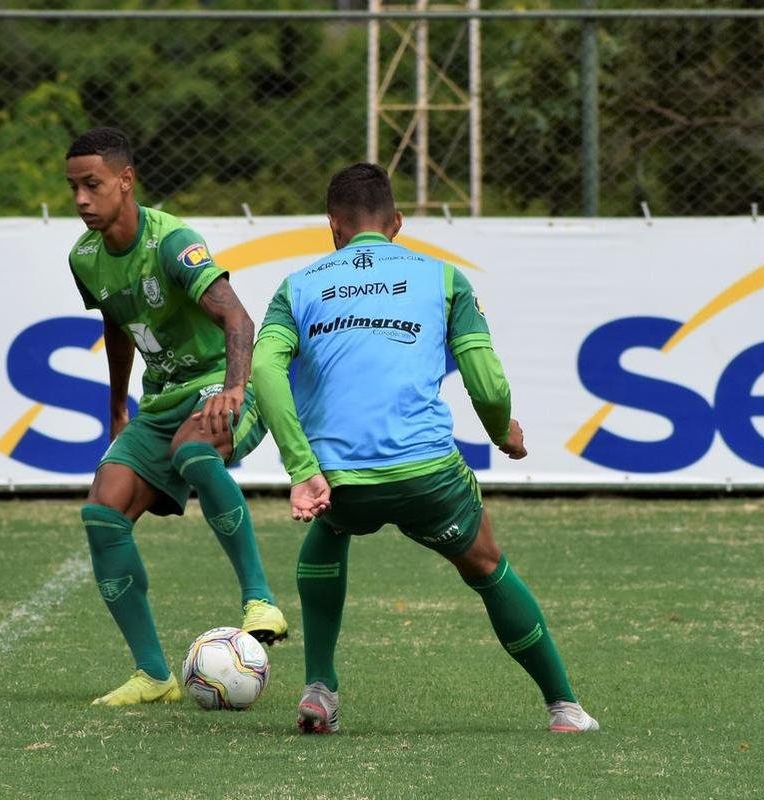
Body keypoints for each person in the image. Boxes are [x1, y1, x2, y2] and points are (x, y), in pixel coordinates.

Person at [252, 163, 599, 734]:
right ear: (398, 222)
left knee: (331, 530)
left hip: (339, 480)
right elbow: (486, 381)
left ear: (332, 225)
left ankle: (320, 688)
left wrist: (302, 467)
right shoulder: (444, 279)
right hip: (427, 474)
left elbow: (264, 370)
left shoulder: (297, 287)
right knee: (486, 565)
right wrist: (502, 431)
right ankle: (564, 707)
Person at [65, 127, 287, 707]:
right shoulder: (83, 258)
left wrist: (236, 390)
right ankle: (153, 675)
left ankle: (260, 599)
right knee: (102, 510)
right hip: (163, 397)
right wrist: (117, 403)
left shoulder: (171, 241)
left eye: (92, 185)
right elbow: (116, 322)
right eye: (73, 188)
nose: (82, 199)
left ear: (125, 180)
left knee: (193, 452)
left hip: (221, 379)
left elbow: (239, 320)